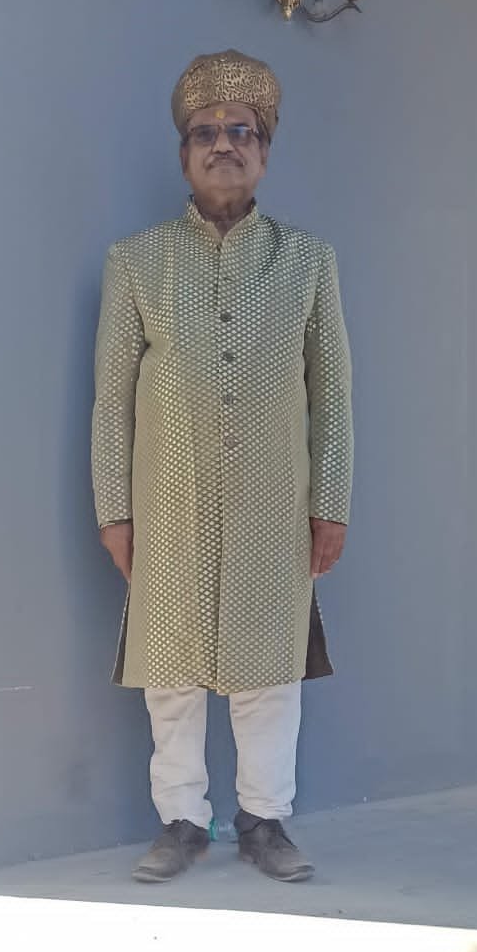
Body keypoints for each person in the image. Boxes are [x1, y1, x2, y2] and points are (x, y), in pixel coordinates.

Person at [91, 49, 353, 884]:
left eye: (241, 131)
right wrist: (113, 511)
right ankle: (180, 820)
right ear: (183, 155)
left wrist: (330, 503)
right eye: (205, 132)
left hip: (274, 501)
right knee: (169, 672)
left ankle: (264, 820)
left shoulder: (306, 261)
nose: (223, 144)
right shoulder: (136, 261)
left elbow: (332, 394)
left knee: (268, 670)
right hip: (166, 502)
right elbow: (110, 401)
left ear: (264, 152)